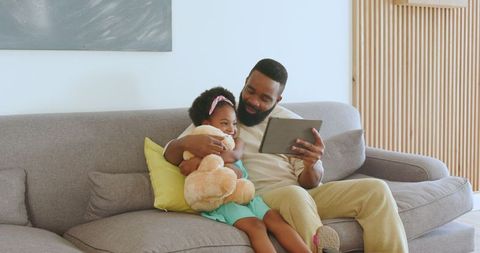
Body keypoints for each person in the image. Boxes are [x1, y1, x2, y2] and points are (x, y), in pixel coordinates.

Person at [165, 59, 409, 253]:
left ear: (278, 99)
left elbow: (309, 182)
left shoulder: (291, 122)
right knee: (295, 195)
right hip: (260, 198)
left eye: (265, 98)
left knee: (376, 190)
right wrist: (187, 142)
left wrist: (312, 164)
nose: (253, 101)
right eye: (250, 91)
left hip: (303, 194)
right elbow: (170, 153)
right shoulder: (223, 119)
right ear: (244, 83)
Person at [182, 86, 311, 253]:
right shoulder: (199, 146)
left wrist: (205, 160)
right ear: (207, 125)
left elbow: (234, 157)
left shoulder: (237, 143)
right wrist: (198, 160)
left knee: (275, 219)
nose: (231, 129)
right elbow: (184, 166)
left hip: (248, 195)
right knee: (256, 227)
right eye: (224, 123)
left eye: (234, 123)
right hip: (223, 201)